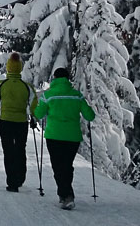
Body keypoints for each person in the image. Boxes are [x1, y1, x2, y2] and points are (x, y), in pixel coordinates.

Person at [33, 67, 95, 210]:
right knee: (67, 165)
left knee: (58, 166)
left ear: (54, 78)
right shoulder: (77, 95)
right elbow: (90, 116)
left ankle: (66, 195)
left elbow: (39, 114)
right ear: (67, 79)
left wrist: (35, 114)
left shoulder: (48, 95)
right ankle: (66, 194)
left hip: (54, 136)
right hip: (72, 137)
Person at [0, 52, 39, 192]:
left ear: (8, 68)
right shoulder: (26, 86)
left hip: (5, 122)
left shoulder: (1, 84)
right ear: (20, 68)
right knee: (20, 149)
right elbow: (33, 104)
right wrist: (32, 116)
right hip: (21, 122)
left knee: (8, 150)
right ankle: (20, 177)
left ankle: (12, 182)